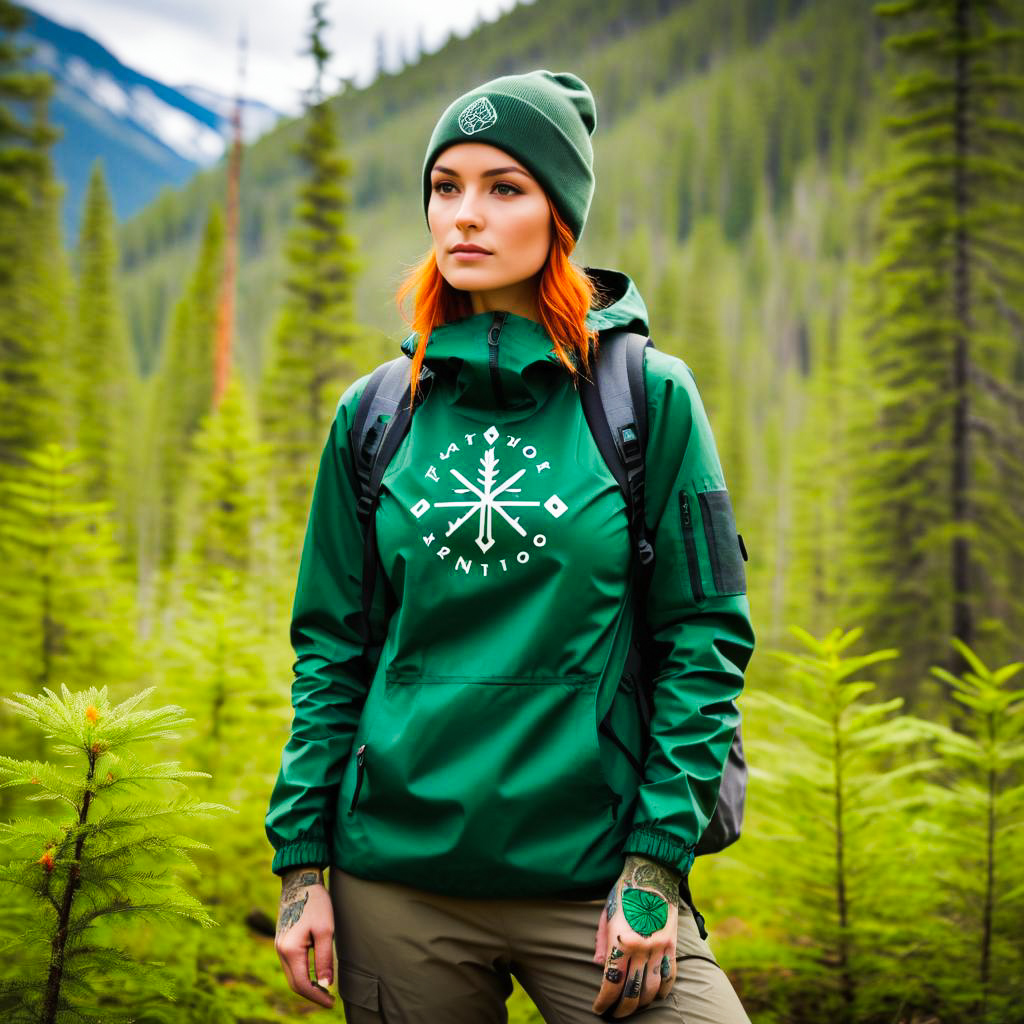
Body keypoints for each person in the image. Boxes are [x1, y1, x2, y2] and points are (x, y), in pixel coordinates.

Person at [265, 69, 756, 1023]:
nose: (465, 216)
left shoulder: (644, 397)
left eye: (504, 187)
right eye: (446, 187)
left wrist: (655, 863)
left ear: (559, 216)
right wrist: (300, 864)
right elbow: (331, 649)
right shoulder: (375, 413)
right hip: (398, 886)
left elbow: (705, 642)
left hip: (593, 878)